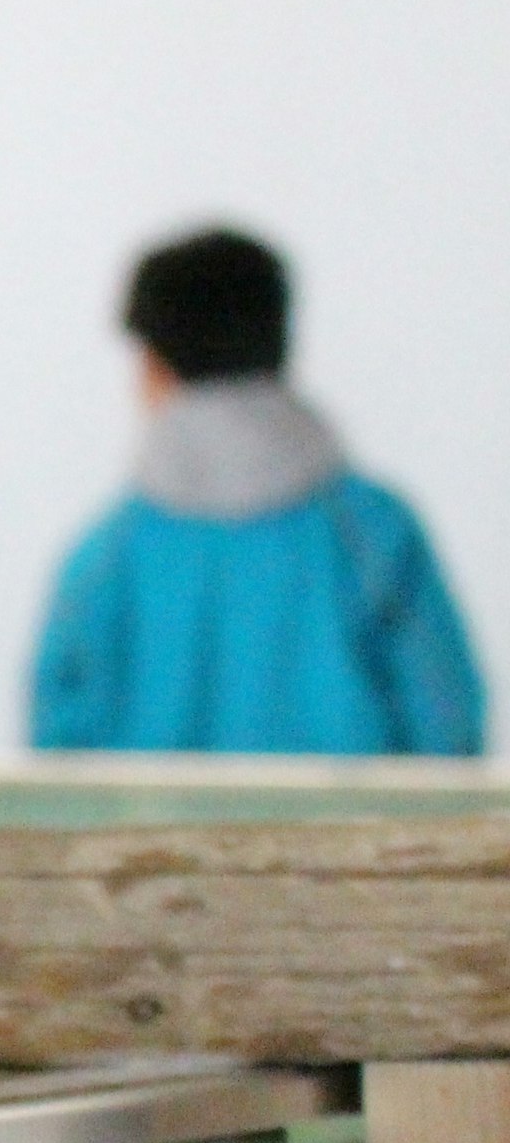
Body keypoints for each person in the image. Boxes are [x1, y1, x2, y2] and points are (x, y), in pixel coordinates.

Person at [31, 225, 483, 755]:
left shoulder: (106, 557)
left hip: (151, 841)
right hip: (352, 839)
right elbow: (448, 730)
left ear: (153, 367)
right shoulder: (375, 531)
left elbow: (58, 763)